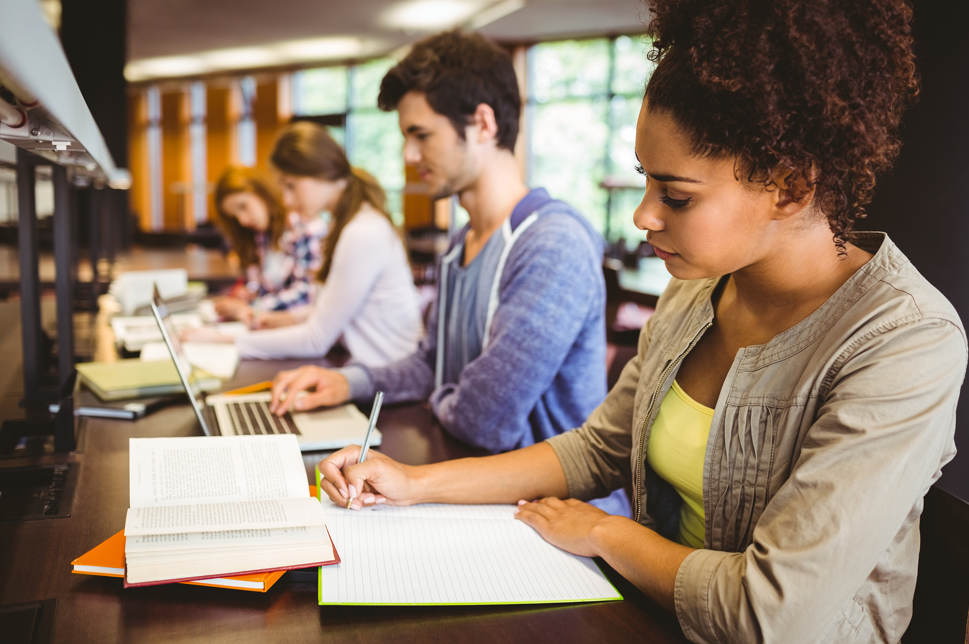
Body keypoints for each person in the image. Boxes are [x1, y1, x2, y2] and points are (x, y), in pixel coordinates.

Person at [315, 1, 967, 642]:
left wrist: (605, 532)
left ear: (790, 186)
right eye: (644, 183)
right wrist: (410, 482)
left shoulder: (903, 341)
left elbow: (772, 613)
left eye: (676, 196)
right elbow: (596, 448)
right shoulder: (694, 294)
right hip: (642, 611)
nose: (643, 217)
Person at [270, 31, 626, 514]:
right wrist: (346, 383)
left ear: (482, 123)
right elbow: (431, 365)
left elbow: (485, 420)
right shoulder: (461, 242)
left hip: (557, 518)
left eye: (421, 135)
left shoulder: (550, 243)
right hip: (479, 490)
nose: (408, 157)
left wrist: (441, 394)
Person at [191, 122, 423, 367]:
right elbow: (331, 310)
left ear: (320, 170)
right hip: (366, 368)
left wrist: (224, 341)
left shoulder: (362, 232)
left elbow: (316, 340)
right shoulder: (346, 224)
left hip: (390, 380)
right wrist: (280, 319)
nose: (287, 200)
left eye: (291, 186)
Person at [209, 165, 326, 328]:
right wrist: (249, 295)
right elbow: (272, 288)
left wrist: (249, 309)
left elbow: (306, 297)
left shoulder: (307, 229)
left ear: (262, 192)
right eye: (235, 217)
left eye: (243, 206)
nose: (242, 220)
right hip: (273, 330)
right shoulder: (262, 237)